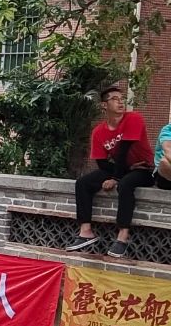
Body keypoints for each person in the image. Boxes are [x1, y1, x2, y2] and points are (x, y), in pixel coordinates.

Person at [67, 86, 156, 258]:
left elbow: (123, 150)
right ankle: (86, 232)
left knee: (125, 184)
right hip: (125, 168)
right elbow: (101, 163)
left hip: (144, 169)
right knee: (83, 183)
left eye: (122, 99)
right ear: (104, 105)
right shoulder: (98, 132)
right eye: (115, 99)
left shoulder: (133, 118)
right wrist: (124, 171)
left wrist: (116, 178)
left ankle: (122, 237)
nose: (120, 102)